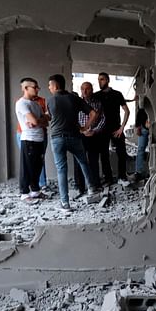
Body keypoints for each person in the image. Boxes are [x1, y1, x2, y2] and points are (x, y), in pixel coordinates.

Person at [46, 74, 99, 213]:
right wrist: (85, 127)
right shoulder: (74, 98)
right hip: (75, 137)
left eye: (50, 85)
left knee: (61, 170)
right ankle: (92, 189)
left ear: (56, 86)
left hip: (57, 138)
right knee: (83, 162)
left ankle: (65, 204)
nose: (49, 88)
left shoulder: (51, 100)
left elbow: (49, 117)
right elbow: (94, 113)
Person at [15, 78, 50, 203]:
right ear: (26, 88)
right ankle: (24, 193)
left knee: (37, 166)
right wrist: (37, 121)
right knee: (27, 167)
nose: (37, 89)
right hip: (29, 139)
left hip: (39, 138)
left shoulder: (35, 104)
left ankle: (35, 191)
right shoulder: (22, 103)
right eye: (34, 87)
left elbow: (46, 121)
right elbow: (36, 121)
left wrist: (37, 121)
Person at [93, 72, 130, 186]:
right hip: (102, 129)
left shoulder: (117, 94)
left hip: (116, 129)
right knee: (104, 155)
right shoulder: (96, 95)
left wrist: (122, 128)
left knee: (122, 153)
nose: (100, 82)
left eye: (102, 79)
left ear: (108, 80)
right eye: (99, 80)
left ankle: (122, 177)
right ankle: (108, 178)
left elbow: (127, 111)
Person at [72, 82, 106, 196]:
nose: (84, 91)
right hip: (80, 136)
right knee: (78, 161)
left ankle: (95, 184)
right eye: (82, 89)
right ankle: (79, 187)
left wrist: (94, 131)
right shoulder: (76, 103)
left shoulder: (97, 103)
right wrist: (81, 130)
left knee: (93, 160)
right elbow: (72, 119)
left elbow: (102, 119)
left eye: (87, 89)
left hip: (93, 135)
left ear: (92, 90)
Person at [134, 102, 150, 179]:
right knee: (140, 149)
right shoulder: (143, 97)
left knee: (154, 149)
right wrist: (137, 126)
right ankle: (139, 172)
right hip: (144, 127)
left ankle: (149, 172)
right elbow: (140, 111)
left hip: (154, 125)